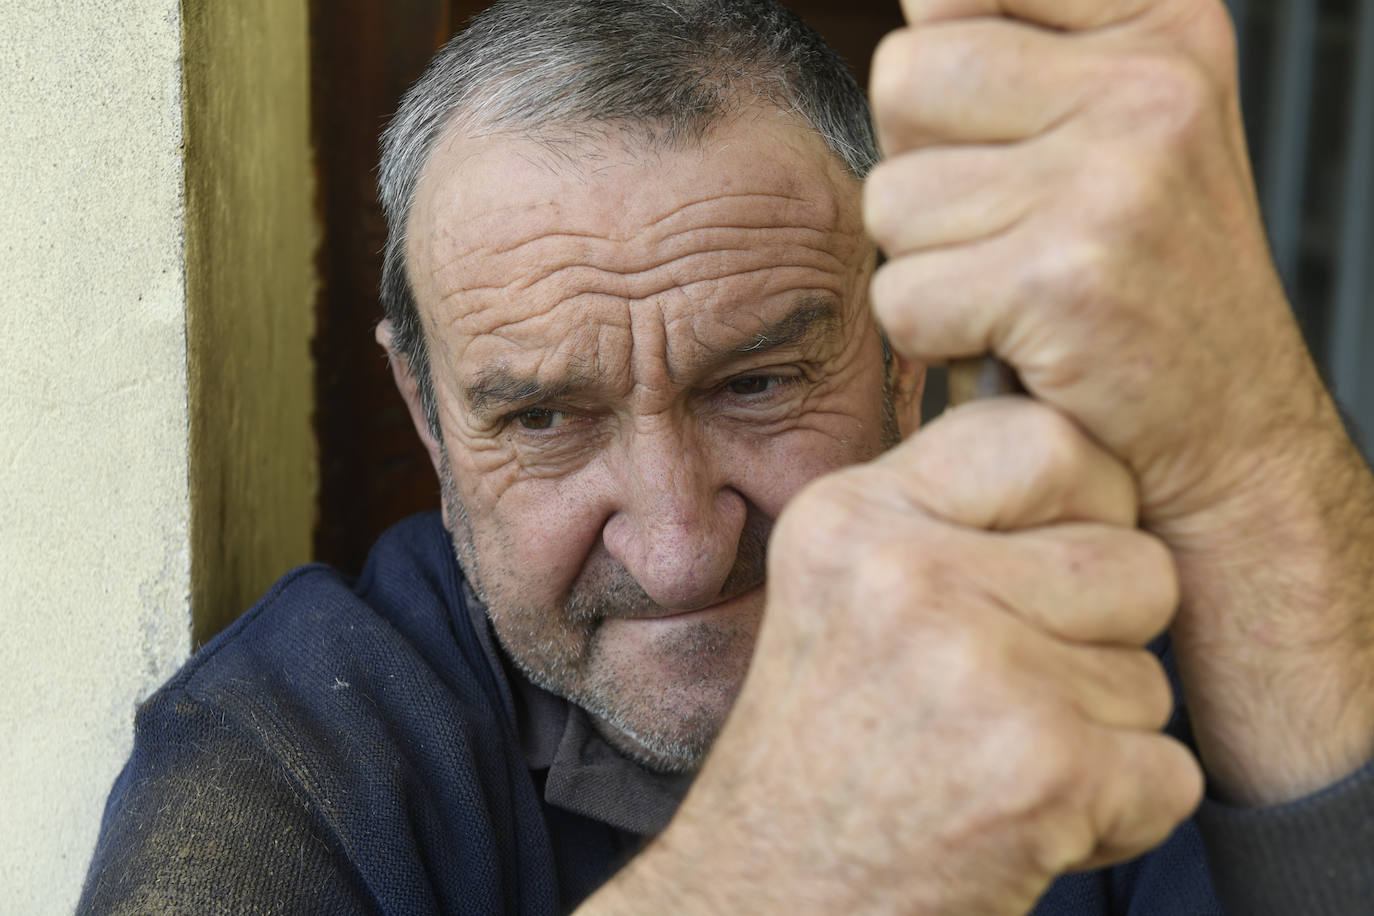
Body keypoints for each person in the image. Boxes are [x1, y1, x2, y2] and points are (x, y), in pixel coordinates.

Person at [80, 0, 1374, 913]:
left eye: (753, 385)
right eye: (541, 418)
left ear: (899, 353)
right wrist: (798, 869)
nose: (678, 545)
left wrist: (1244, 456)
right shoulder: (292, 754)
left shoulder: (1112, 633)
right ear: (425, 411)